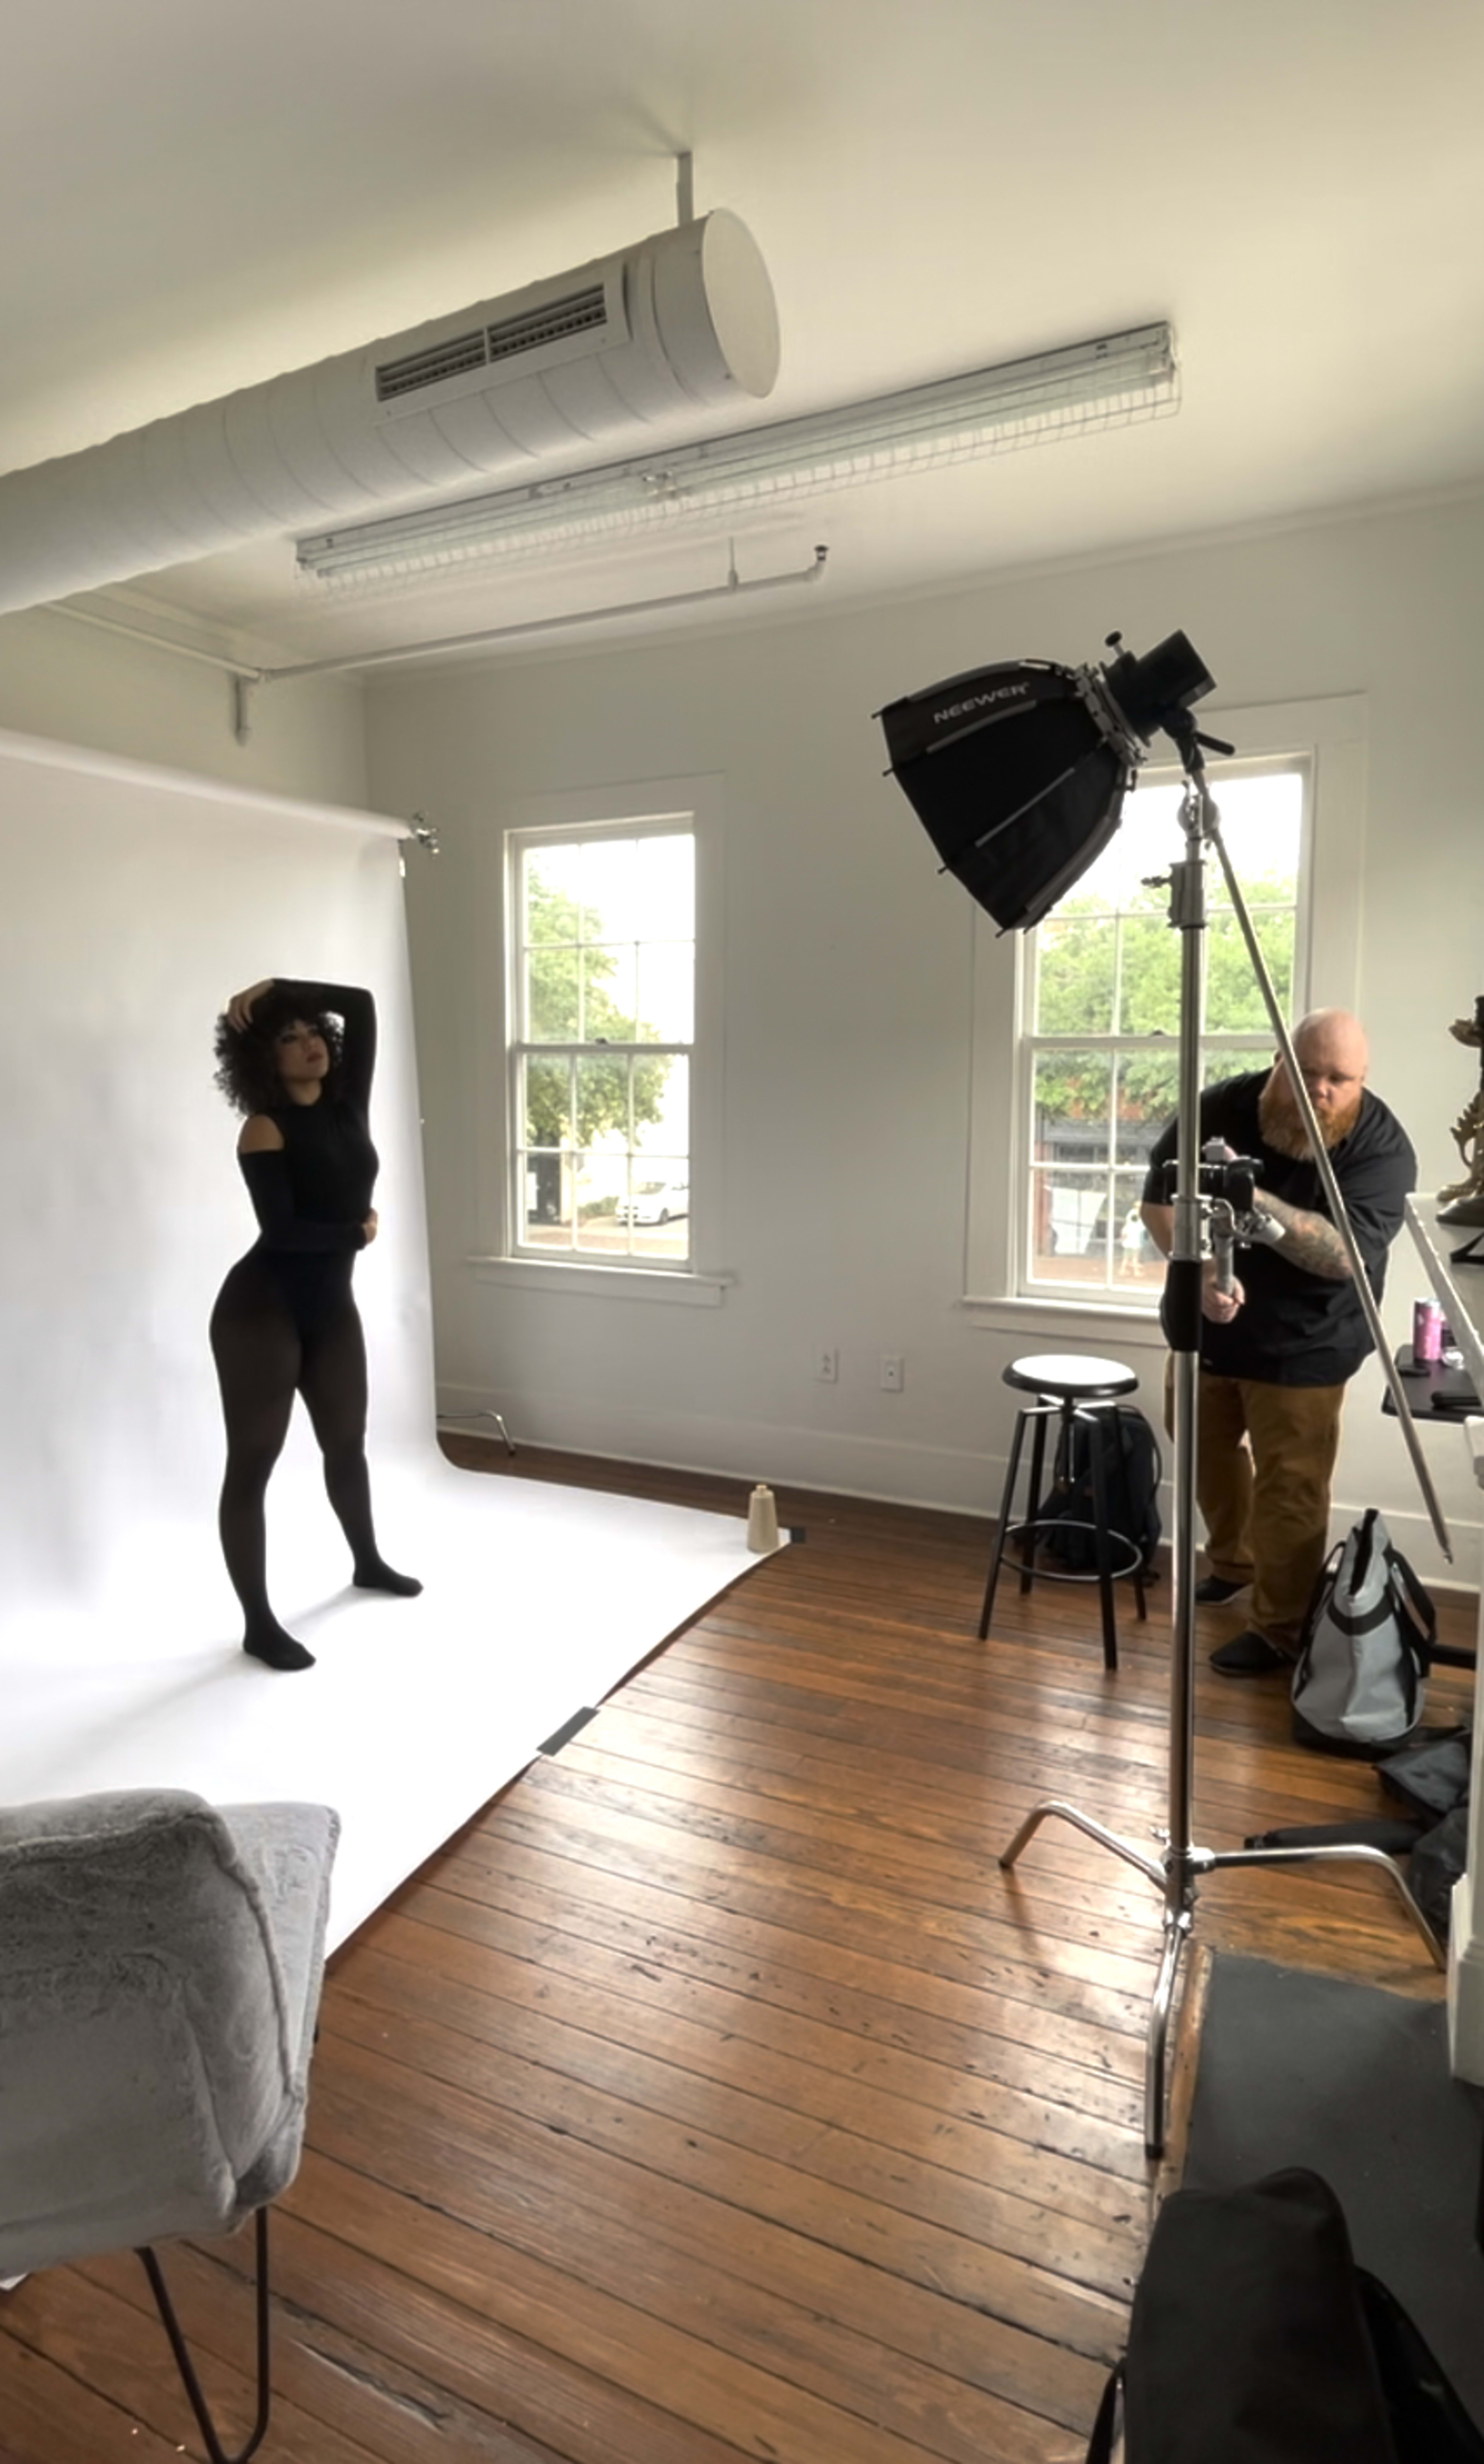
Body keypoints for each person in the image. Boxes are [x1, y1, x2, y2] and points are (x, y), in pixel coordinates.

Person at [1139, 1009, 1415, 1678]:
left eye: (1340, 1079)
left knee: (1291, 1486)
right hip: (1207, 1330)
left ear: (1362, 1080)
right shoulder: (1218, 1109)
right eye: (1306, 1071)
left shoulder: (1381, 1147)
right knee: (1200, 1448)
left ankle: (1279, 1629)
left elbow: (1344, 1256)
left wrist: (1252, 1199)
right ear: (1278, 1063)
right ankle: (1235, 1563)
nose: (1321, 1089)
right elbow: (1158, 1203)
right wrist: (1204, 1270)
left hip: (1309, 1343)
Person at [210, 977, 420, 1671]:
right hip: (259, 1312)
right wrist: (359, 1234)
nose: (309, 1046)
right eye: (288, 1038)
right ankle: (258, 1624)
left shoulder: (347, 1101)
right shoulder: (264, 1128)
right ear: (263, 1061)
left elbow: (360, 1005)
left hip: (331, 1310)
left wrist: (276, 989)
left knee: (347, 1444)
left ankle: (367, 1562)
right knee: (252, 1466)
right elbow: (285, 1232)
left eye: (312, 1032)